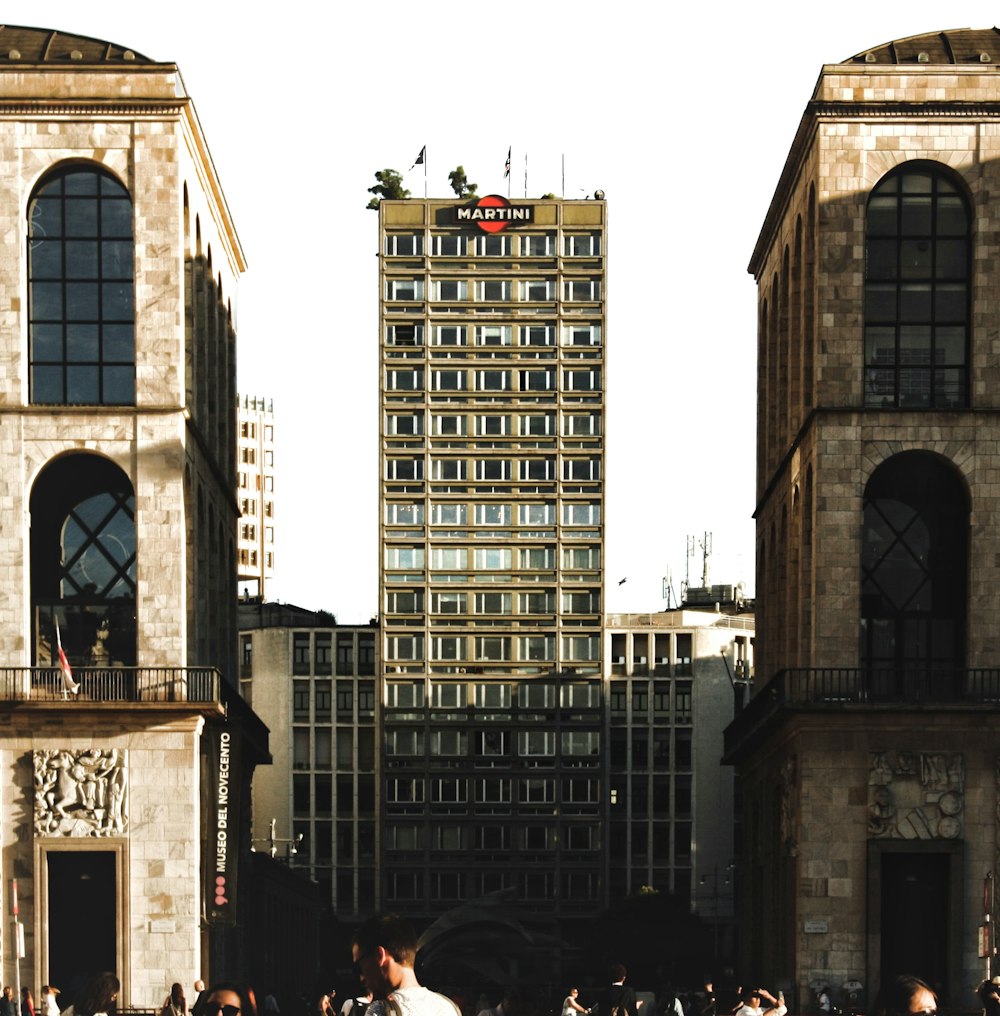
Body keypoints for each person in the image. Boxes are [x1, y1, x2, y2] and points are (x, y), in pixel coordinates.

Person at [351, 913, 461, 1016]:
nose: (362, 977)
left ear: (379, 956)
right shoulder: (449, 1006)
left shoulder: (381, 1010)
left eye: (360, 965)